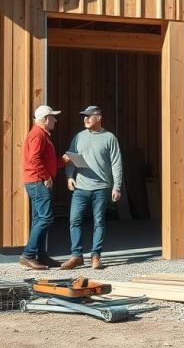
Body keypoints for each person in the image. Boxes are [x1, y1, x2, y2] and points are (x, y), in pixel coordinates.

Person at [60, 105, 123, 270]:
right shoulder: (79, 137)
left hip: (101, 187)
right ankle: (76, 256)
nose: (86, 119)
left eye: (89, 116)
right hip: (80, 187)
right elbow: (71, 156)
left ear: (99, 117)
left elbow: (116, 163)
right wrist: (69, 177)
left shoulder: (109, 138)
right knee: (74, 220)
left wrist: (117, 186)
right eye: (84, 116)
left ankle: (96, 256)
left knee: (99, 221)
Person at [18, 104, 63, 270]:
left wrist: (63, 161)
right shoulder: (38, 135)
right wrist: (46, 177)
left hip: (35, 180)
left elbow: (45, 161)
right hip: (37, 181)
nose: (55, 120)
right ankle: (28, 255)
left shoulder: (40, 134)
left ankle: (41, 256)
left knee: (39, 219)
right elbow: (35, 159)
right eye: (53, 117)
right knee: (45, 218)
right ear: (45, 119)